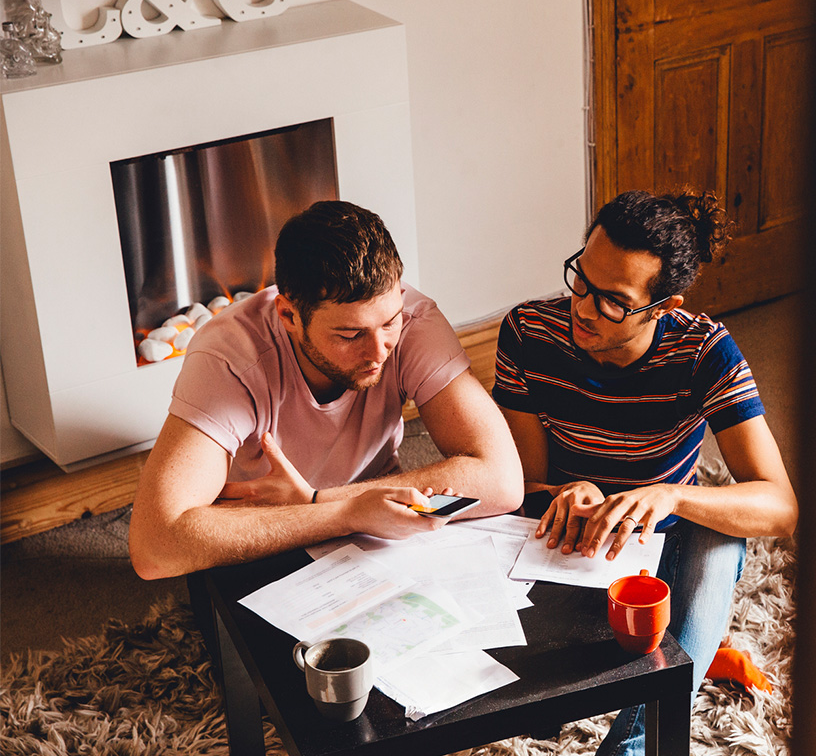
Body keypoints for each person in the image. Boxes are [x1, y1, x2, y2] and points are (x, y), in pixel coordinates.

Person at [491, 189, 798, 756]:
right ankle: (693, 641)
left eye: (613, 301)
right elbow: (521, 487)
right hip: (569, 536)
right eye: (582, 280)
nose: (583, 306)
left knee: (718, 540)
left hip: (665, 541)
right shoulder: (527, 334)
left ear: (666, 309)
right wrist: (560, 492)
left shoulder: (704, 352)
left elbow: (779, 505)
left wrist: (671, 495)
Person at [129, 200, 523, 581]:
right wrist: (345, 513)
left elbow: (503, 480)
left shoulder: (415, 320)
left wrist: (321, 501)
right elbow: (156, 547)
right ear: (289, 315)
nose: (378, 351)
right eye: (350, 335)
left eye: (389, 323)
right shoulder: (230, 355)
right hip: (257, 533)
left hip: (378, 529)